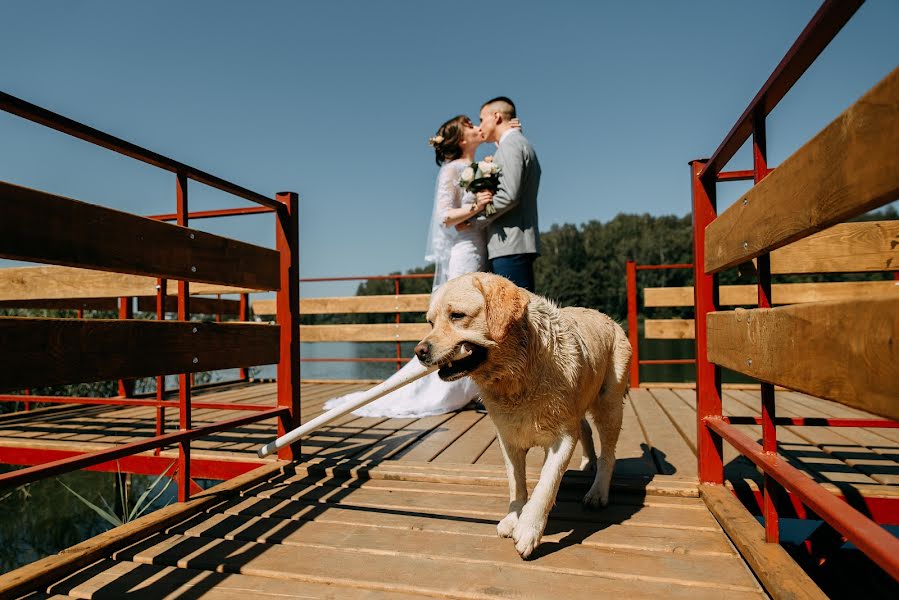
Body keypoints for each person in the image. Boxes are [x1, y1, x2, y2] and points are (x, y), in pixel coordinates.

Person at [323, 115, 492, 418]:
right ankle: (447, 386)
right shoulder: (452, 169)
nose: (475, 126)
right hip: (464, 249)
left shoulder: (477, 167)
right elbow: (444, 216)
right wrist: (476, 206)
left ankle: (470, 384)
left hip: (480, 244)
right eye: (469, 124)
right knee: (460, 317)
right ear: (462, 139)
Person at [475, 96, 541, 292]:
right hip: (515, 243)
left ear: (496, 117)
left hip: (511, 243)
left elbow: (509, 194)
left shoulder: (511, 145)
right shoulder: (515, 143)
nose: (480, 126)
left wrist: (477, 218)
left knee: (514, 315)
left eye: (481, 119)